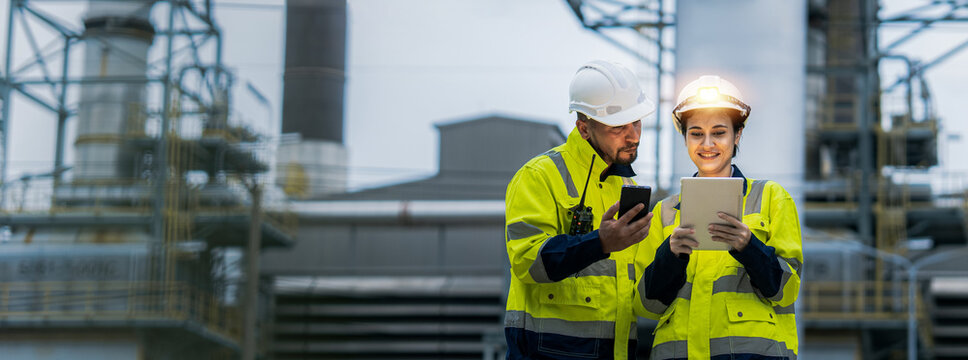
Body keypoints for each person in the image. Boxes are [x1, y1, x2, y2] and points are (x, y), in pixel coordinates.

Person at [633, 75, 803, 359]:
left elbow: (786, 291)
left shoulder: (771, 198)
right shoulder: (664, 212)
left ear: (737, 135)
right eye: (696, 133)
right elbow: (645, 306)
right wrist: (670, 256)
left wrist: (749, 247)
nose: (707, 144)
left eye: (719, 132)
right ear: (685, 137)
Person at [504, 60, 656, 359]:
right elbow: (527, 261)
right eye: (619, 127)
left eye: (637, 122)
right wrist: (599, 243)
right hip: (545, 351)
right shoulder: (539, 175)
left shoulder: (625, 187)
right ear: (584, 129)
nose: (634, 136)